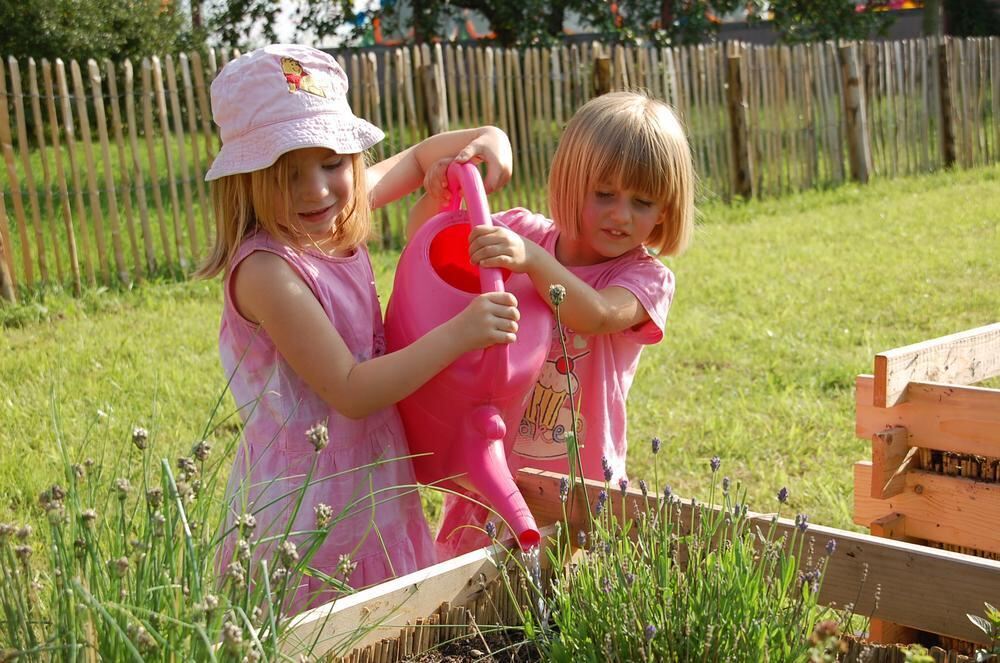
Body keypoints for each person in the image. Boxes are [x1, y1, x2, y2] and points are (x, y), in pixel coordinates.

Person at [196, 44, 519, 611]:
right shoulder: (269, 270)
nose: (317, 189)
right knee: (330, 629)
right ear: (245, 180)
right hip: (307, 507)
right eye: (287, 172)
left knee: (392, 624)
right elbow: (350, 390)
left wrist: (489, 138)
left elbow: (420, 158)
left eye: (332, 163)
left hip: (373, 476)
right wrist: (461, 333)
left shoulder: (329, 216)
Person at [414, 91, 695, 558]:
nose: (621, 215)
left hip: (575, 480)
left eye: (642, 202)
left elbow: (599, 314)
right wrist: (437, 197)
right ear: (570, 183)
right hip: (489, 460)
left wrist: (533, 262)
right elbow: (433, 243)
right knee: (467, 596)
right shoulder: (523, 232)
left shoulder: (644, 278)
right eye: (604, 194)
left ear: (664, 210)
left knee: (552, 599)